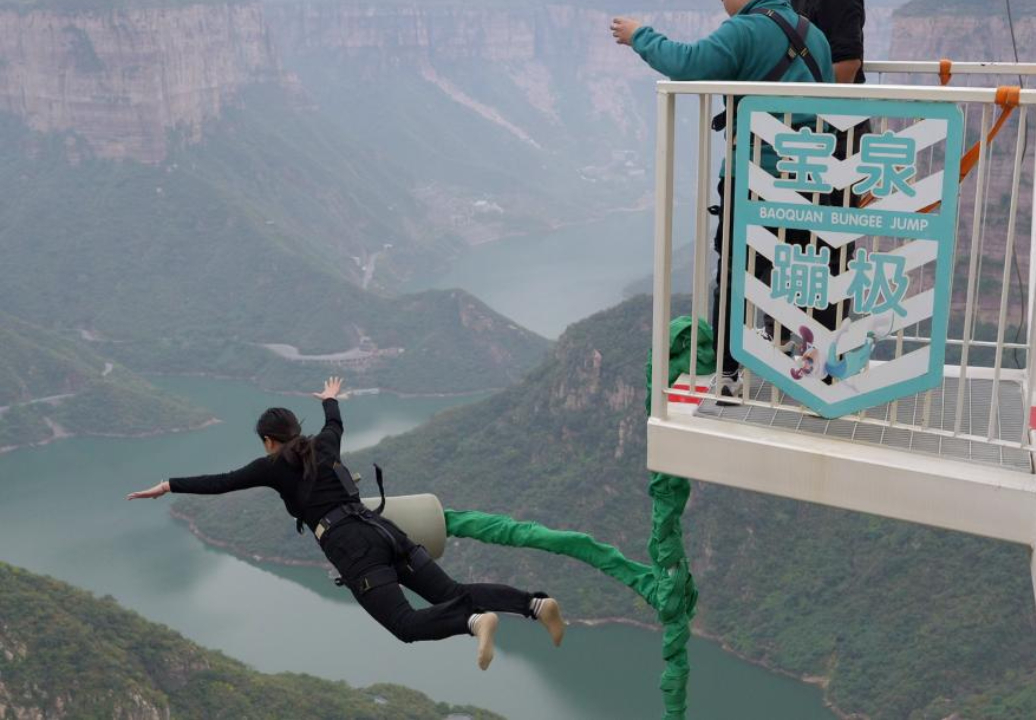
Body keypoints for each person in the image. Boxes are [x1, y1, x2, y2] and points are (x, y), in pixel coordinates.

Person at [127, 376, 564, 671]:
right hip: (384, 529)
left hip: (354, 548)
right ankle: (535, 605)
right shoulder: (325, 444)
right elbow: (335, 420)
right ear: (298, 429)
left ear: (268, 440)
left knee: (406, 626)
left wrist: (167, 485)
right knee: (454, 594)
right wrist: (330, 397)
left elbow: (221, 482)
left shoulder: (273, 465)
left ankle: (474, 625)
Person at [611, 0, 835, 401]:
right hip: (811, 177)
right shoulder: (813, 35)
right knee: (804, 270)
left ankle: (728, 373)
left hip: (753, 176)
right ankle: (817, 370)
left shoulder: (746, 30)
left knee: (736, 272)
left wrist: (638, 35)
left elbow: (689, 63)